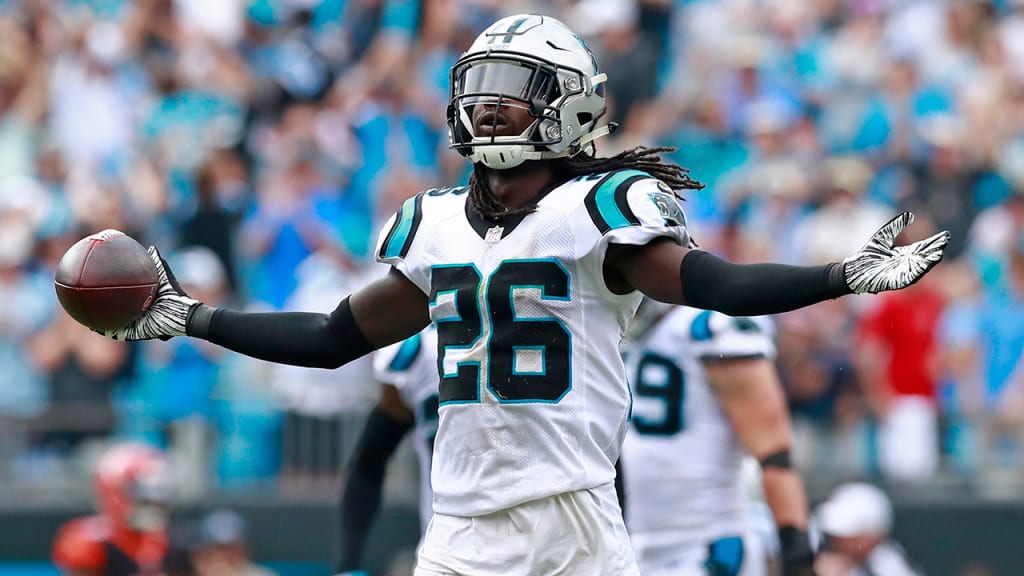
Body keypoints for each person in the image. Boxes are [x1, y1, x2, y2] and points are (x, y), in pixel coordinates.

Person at [96, 14, 948, 576]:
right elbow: (329, 337)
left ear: (566, 106)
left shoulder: (600, 208)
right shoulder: (432, 222)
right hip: (461, 523)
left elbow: (712, 283)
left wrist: (840, 276)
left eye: (514, 85)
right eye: (480, 82)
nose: (486, 102)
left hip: (574, 518)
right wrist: (190, 317)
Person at [620, 301, 814, 576]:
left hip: (709, 549)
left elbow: (775, 454)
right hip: (636, 548)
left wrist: (798, 558)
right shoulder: (627, 332)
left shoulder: (711, 327)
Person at [334, 326, 439, 576]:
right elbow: (369, 460)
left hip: (537, 545)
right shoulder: (418, 351)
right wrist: (348, 564)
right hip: (446, 552)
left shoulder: (419, 349)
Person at [51, 442, 193, 576]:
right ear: (114, 494)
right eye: (145, 500)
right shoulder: (90, 541)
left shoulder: (173, 542)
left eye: (159, 499)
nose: (154, 506)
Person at [814, 483, 924, 576]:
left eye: (850, 536)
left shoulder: (889, 567)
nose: (837, 540)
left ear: (871, 537)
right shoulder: (821, 556)